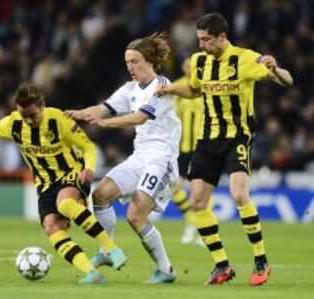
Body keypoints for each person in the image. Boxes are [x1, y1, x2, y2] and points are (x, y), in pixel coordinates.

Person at [0, 82, 127, 284]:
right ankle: (92, 273)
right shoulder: (13, 123)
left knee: (64, 203)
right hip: (45, 184)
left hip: (71, 173)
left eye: (32, 115)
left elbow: (87, 147)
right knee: (51, 227)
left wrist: (89, 168)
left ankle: (112, 248)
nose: (27, 120)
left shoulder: (59, 119)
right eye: (23, 115)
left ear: (42, 106)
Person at [156, 13, 293, 286]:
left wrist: (275, 69)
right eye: (199, 39)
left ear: (222, 36)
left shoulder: (245, 58)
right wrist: (171, 90)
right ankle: (222, 265)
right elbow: (195, 90)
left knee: (239, 194)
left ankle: (261, 260)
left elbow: (287, 80)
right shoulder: (199, 61)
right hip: (207, 139)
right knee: (197, 201)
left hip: (238, 137)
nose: (202, 45)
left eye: (207, 39)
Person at [65, 32, 180, 283]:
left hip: (162, 160)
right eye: (127, 62)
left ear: (150, 60)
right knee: (100, 195)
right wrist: (80, 113)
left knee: (135, 217)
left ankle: (166, 269)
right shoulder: (130, 88)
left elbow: (140, 117)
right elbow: (103, 108)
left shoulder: (162, 87)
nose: (130, 67)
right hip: (139, 157)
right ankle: (106, 250)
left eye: (135, 61)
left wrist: (105, 124)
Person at [170, 56, 206, 247]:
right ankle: (191, 221)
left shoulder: (206, 85)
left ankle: (203, 230)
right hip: (181, 147)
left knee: (201, 190)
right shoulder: (176, 88)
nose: (189, 69)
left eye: (192, 66)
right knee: (174, 187)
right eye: (186, 66)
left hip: (202, 146)